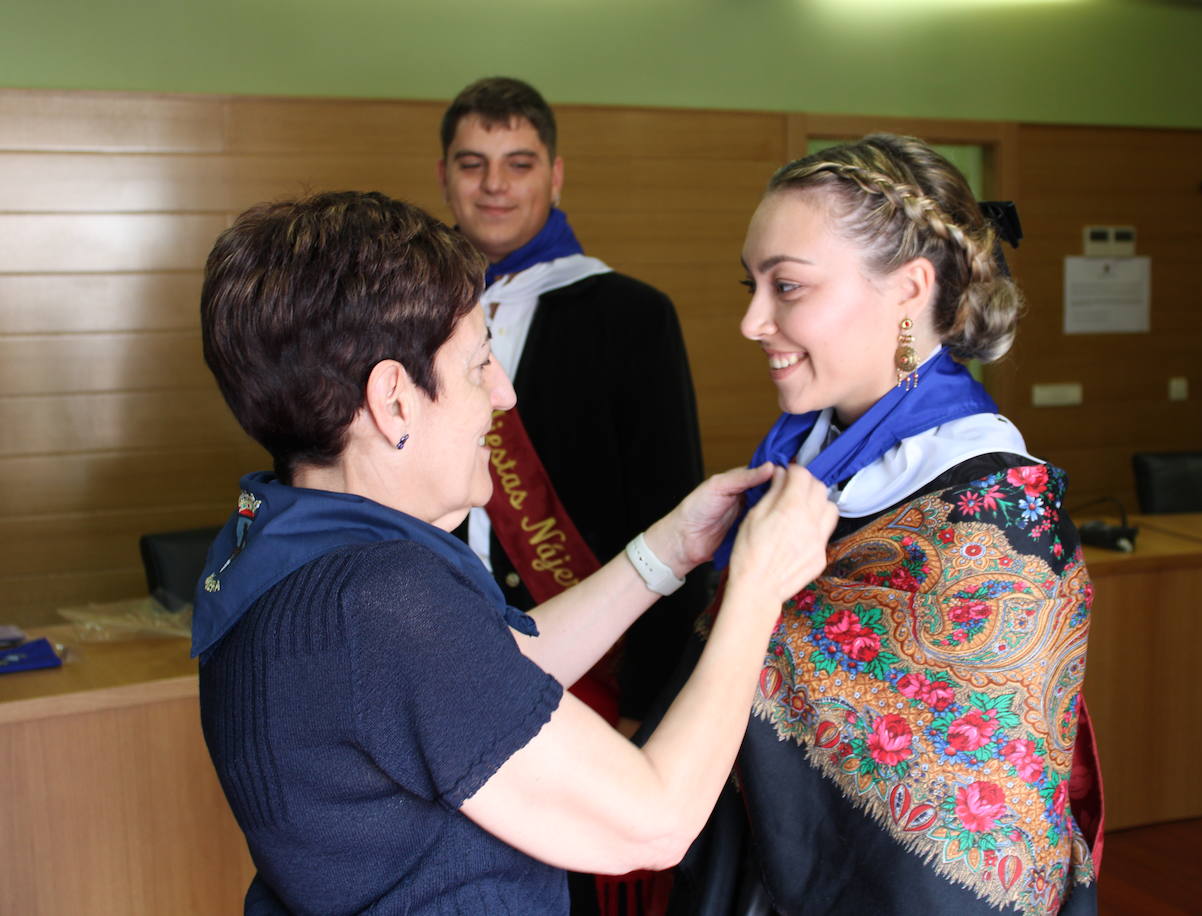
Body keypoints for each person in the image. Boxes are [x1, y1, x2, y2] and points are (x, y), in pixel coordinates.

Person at [192, 190, 837, 914]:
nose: (503, 395)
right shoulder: (374, 606)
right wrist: (756, 586)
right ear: (394, 401)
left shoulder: (293, 548)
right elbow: (652, 823)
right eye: (478, 366)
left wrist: (667, 551)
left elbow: (493, 672)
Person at [664, 135, 1102, 915]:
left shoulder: (995, 518)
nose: (752, 321)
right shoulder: (804, 453)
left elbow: (978, 824)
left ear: (908, 289)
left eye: (787, 287)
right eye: (751, 285)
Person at [436, 76, 708, 733]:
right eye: (472, 165)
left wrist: (650, 697)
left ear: (555, 176)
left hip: (589, 668)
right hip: (434, 647)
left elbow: (667, 505)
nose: (494, 185)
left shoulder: (632, 315)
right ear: (444, 176)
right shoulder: (408, 310)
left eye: (518, 165)